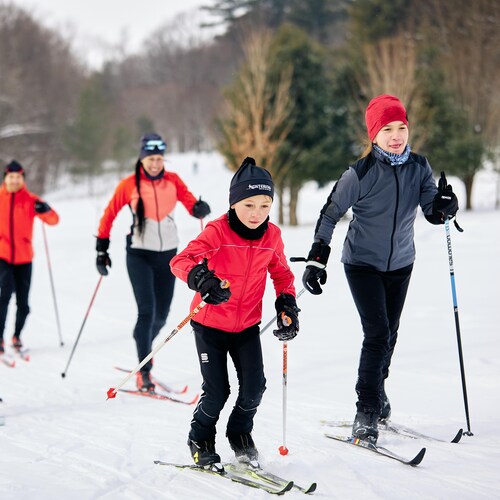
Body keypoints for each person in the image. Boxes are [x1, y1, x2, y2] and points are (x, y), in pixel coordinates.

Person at [302, 94, 459, 444]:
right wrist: (317, 258)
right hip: (362, 264)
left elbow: (433, 211)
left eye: (401, 127)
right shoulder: (360, 174)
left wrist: (447, 205)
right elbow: (329, 214)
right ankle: (366, 408)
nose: (396, 135)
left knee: (389, 335)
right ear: (374, 135)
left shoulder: (419, 166)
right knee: (376, 333)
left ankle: (378, 392)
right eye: (387, 128)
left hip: (402, 263)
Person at [170, 157, 299, 467]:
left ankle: (239, 432)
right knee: (217, 392)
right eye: (249, 205)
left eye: (264, 205)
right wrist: (202, 279)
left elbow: (282, 275)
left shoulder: (272, 237)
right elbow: (180, 261)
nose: (257, 213)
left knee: (255, 388)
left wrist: (287, 305)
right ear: (234, 204)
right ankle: (199, 437)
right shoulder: (217, 232)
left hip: (246, 327)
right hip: (209, 324)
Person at [96, 133, 211, 392]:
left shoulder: (173, 181)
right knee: (146, 312)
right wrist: (101, 248)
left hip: (168, 255)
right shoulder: (129, 184)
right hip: (139, 254)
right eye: (151, 158)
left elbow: (190, 202)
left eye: (159, 158)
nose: (156, 163)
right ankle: (144, 371)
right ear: (142, 158)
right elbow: (109, 214)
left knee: (161, 315)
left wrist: (198, 208)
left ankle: (144, 348)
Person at [0, 160, 59, 353]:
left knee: (23, 303)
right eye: (11, 177)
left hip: (24, 258)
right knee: (5, 295)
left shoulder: (31, 200)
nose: (14, 180)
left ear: (22, 179)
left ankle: (16, 336)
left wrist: (47, 210)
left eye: (18, 177)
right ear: (6, 178)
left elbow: (53, 220)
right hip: (3, 256)